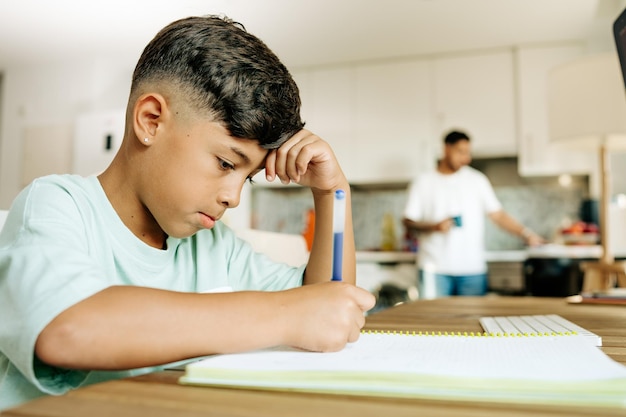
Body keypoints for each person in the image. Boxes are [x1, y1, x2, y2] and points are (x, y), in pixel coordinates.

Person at [0, 15, 375, 410]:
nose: (233, 198)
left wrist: (332, 190)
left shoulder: (214, 246)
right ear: (151, 120)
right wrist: (285, 315)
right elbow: (69, 329)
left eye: (247, 178)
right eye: (227, 164)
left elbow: (329, 307)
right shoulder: (57, 204)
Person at [402, 130, 543, 298]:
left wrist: (526, 234)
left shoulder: (477, 180)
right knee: (434, 322)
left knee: (471, 321)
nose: (466, 158)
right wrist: (435, 226)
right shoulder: (423, 182)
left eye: (468, 153)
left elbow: (498, 215)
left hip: (472, 269)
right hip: (434, 269)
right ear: (446, 149)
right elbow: (408, 222)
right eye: (461, 152)